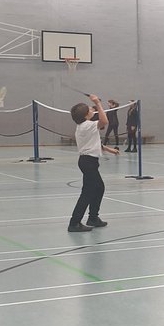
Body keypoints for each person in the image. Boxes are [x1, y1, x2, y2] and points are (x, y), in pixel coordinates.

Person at [68, 94, 119, 232]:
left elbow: (93, 143)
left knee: (98, 188)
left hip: (88, 162)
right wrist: (98, 103)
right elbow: (104, 121)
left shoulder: (84, 126)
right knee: (88, 193)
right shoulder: (87, 125)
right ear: (85, 115)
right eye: (90, 109)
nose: (92, 110)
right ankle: (74, 223)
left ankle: (93, 218)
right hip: (88, 162)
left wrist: (108, 149)